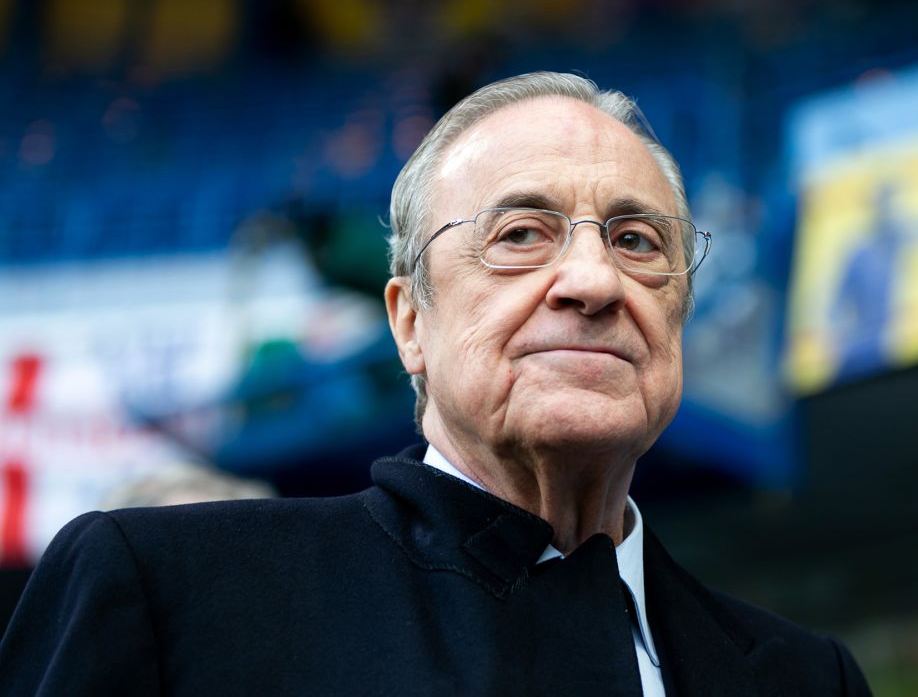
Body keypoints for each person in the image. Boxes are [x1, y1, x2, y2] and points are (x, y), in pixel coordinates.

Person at [0, 72, 872, 696]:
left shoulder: (805, 677)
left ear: (678, 313)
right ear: (409, 321)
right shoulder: (169, 592)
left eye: (638, 242)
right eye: (522, 234)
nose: (594, 282)